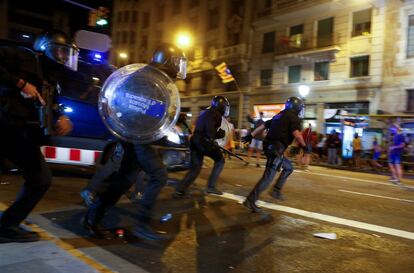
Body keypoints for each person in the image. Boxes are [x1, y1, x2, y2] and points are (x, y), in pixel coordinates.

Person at [80, 43, 187, 241]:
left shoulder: (150, 76)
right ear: (168, 61)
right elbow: (140, 108)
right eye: (177, 62)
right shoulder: (150, 79)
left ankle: (92, 218)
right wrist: (161, 131)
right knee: (159, 176)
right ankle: (141, 225)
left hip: (136, 135)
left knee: (124, 180)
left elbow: (152, 110)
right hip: (138, 137)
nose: (178, 67)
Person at [0, 30, 75, 243]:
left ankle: (8, 224)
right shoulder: (21, 56)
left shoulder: (51, 75)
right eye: (59, 51)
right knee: (40, 178)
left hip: (18, 133)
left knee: (40, 179)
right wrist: (20, 83)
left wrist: (60, 117)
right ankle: (7, 226)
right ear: (45, 48)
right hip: (5, 127)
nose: (62, 56)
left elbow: (49, 101)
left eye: (66, 53)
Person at [241, 97, 308, 212]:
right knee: (268, 177)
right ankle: (250, 200)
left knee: (288, 168)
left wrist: (251, 135)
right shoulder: (293, 118)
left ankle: (276, 190)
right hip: (276, 149)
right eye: (300, 107)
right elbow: (297, 134)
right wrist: (305, 147)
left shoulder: (279, 115)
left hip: (270, 147)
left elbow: (262, 126)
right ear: (296, 107)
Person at [173, 96, 230, 198]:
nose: (225, 109)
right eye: (225, 106)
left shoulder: (205, 112)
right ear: (220, 105)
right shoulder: (215, 114)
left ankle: (179, 191)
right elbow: (209, 129)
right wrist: (215, 137)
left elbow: (202, 129)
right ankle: (211, 187)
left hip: (195, 141)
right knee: (220, 161)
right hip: (205, 142)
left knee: (195, 169)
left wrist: (215, 135)